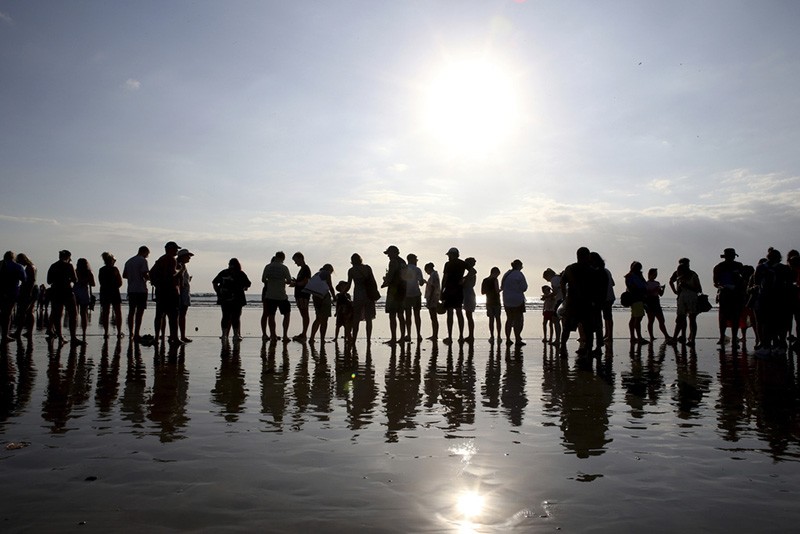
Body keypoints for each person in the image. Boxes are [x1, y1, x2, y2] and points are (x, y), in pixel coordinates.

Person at [712, 248, 746, 349]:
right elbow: (715, 282)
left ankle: (734, 338)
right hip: (725, 293)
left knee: (735, 317)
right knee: (723, 317)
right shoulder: (719, 267)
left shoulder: (739, 266)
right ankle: (722, 337)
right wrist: (721, 287)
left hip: (736, 294)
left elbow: (744, 279)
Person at [150, 241, 182, 344]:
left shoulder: (160, 259)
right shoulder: (171, 259)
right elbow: (172, 274)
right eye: (176, 249)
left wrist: (156, 283)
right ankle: (175, 338)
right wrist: (180, 271)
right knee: (173, 316)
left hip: (160, 291)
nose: (177, 251)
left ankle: (156, 337)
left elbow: (151, 273)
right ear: (170, 249)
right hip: (171, 291)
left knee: (159, 315)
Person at [47, 250, 81, 345]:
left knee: (58, 314)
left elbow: (49, 281)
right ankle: (73, 337)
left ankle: (61, 336)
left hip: (56, 291)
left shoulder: (53, 266)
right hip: (67, 291)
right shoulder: (69, 266)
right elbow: (75, 279)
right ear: (68, 257)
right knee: (73, 314)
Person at [212, 258, 252, 340]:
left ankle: (224, 335)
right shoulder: (240, 273)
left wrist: (218, 292)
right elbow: (248, 284)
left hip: (225, 298)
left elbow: (214, 282)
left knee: (225, 316)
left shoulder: (224, 272)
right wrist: (244, 287)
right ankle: (236, 335)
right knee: (236, 317)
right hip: (237, 298)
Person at [346, 253, 378, 344]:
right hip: (368, 296)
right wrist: (374, 294)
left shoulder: (351, 271)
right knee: (369, 319)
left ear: (352, 261)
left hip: (358, 296)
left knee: (356, 319)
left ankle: (354, 339)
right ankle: (368, 340)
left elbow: (348, 285)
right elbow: (373, 282)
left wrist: (342, 293)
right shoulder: (367, 268)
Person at [670, 259, 702, 347]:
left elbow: (699, 289)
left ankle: (691, 339)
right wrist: (676, 291)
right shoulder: (678, 275)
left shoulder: (693, 275)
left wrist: (686, 286)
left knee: (691, 319)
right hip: (682, 298)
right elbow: (671, 281)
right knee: (681, 318)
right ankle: (679, 337)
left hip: (691, 298)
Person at [262, 251, 293, 342]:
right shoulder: (284, 268)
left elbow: (263, 279)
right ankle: (285, 335)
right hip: (281, 295)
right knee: (286, 314)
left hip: (270, 295)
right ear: (283, 258)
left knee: (271, 315)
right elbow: (289, 280)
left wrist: (271, 282)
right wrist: (282, 281)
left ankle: (273, 335)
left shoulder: (268, 267)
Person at [123, 245, 150, 341]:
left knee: (131, 311)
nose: (147, 256)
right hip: (141, 289)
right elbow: (144, 274)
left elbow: (124, 275)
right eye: (148, 254)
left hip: (131, 289)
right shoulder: (143, 261)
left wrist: (132, 276)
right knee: (139, 312)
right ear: (145, 252)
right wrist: (150, 279)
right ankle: (137, 333)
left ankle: (131, 333)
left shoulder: (129, 261)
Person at [381, 245, 407, 344]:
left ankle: (393, 338)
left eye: (389, 254)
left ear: (394, 252)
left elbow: (391, 276)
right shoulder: (403, 262)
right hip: (403, 290)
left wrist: (385, 282)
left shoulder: (393, 262)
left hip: (394, 290)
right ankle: (402, 337)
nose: (388, 256)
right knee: (401, 314)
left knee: (392, 315)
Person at [441, 247, 466, 344]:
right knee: (459, 313)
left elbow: (445, 278)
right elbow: (473, 271)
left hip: (450, 290)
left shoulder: (448, 264)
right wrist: (464, 278)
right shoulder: (462, 263)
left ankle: (450, 336)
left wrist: (442, 290)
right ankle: (461, 336)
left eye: (449, 255)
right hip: (458, 290)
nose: (448, 257)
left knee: (450, 314)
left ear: (452, 254)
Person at [0, 251, 26, 342]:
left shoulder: (1, 264)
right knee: (7, 314)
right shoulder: (18, 266)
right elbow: (24, 279)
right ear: (13, 258)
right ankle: (4, 335)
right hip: (11, 292)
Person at [501, 259, 528, 346]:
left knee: (509, 319)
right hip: (517, 299)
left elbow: (502, 286)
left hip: (506, 299)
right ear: (519, 266)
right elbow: (524, 287)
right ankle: (517, 339)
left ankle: (508, 339)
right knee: (518, 319)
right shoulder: (519, 274)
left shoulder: (506, 274)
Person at [98, 252, 124, 339]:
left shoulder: (102, 270)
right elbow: (120, 282)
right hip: (114, 292)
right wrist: (114, 286)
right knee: (118, 312)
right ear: (111, 260)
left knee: (105, 313)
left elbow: (101, 282)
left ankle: (106, 332)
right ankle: (119, 332)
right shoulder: (115, 269)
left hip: (105, 292)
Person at [309, 264, 336, 343]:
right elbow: (330, 286)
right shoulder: (326, 274)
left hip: (316, 297)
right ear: (330, 270)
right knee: (324, 320)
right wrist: (334, 297)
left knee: (318, 319)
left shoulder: (317, 274)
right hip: (324, 297)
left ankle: (311, 338)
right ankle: (322, 339)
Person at [13, 253, 37, 339]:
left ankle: (19, 331)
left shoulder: (30, 267)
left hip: (28, 290)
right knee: (29, 312)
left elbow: (32, 280)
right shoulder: (31, 266)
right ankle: (28, 332)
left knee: (23, 312)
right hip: (29, 289)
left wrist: (29, 292)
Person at [624, 261, 648, 345]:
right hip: (637, 298)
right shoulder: (633, 276)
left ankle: (633, 337)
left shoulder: (631, 276)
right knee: (637, 318)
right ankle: (638, 337)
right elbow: (640, 286)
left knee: (634, 318)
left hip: (635, 299)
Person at [645, 268, 671, 342]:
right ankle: (651, 336)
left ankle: (666, 335)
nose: (655, 276)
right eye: (654, 274)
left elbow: (661, 294)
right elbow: (646, 294)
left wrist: (663, 289)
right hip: (649, 301)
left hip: (656, 301)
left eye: (656, 274)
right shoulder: (646, 283)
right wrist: (655, 289)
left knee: (661, 319)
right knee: (651, 320)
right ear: (649, 274)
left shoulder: (657, 283)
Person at [403, 253, 425, 342]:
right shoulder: (417, 269)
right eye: (416, 259)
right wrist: (423, 281)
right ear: (412, 260)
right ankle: (418, 334)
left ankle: (408, 334)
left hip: (406, 294)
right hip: (416, 293)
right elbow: (421, 283)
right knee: (417, 315)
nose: (416, 261)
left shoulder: (404, 269)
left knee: (408, 315)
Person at [73, 258, 96, 340]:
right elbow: (93, 284)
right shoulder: (89, 272)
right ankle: (84, 332)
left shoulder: (75, 271)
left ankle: (74, 332)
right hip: (84, 292)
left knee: (75, 313)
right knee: (84, 313)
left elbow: (73, 280)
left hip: (75, 291)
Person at [291, 252, 312, 342]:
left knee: (304, 314)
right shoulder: (303, 269)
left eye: (296, 260)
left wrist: (295, 283)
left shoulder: (306, 269)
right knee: (303, 314)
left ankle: (304, 334)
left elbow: (305, 282)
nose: (295, 263)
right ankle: (303, 333)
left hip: (303, 295)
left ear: (300, 258)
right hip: (300, 295)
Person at [177, 248, 194, 343]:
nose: (189, 258)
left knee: (180, 315)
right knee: (181, 315)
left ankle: (180, 335)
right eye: (188, 256)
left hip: (183, 292)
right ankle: (181, 336)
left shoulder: (181, 265)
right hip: (181, 293)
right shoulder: (179, 265)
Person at [481, 267, 502, 344]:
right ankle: (499, 336)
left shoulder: (485, 280)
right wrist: (501, 289)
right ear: (495, 273)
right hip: (496, 301)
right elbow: (497, 291)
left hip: (489, 301)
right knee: (498, 319)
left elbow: (482, 292)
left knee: (491, 320)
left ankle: (492, 336)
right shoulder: (495, 280)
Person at [424, 262, 441, 341]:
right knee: (433, 318)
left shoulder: (433, 276)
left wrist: (430, 299)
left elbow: (433, 287)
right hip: (434, 297)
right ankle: (434, 334)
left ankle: (435, 335)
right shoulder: (434, 275)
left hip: (433, 298)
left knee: (433, 317)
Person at [462, 257, 477, 343]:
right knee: (469, 316)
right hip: (468, 294)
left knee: (469, 316)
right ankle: (470, 335)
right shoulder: (470, 274)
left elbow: (465, 283)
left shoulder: (471, 273)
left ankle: (471, 335)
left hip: (469, 295)